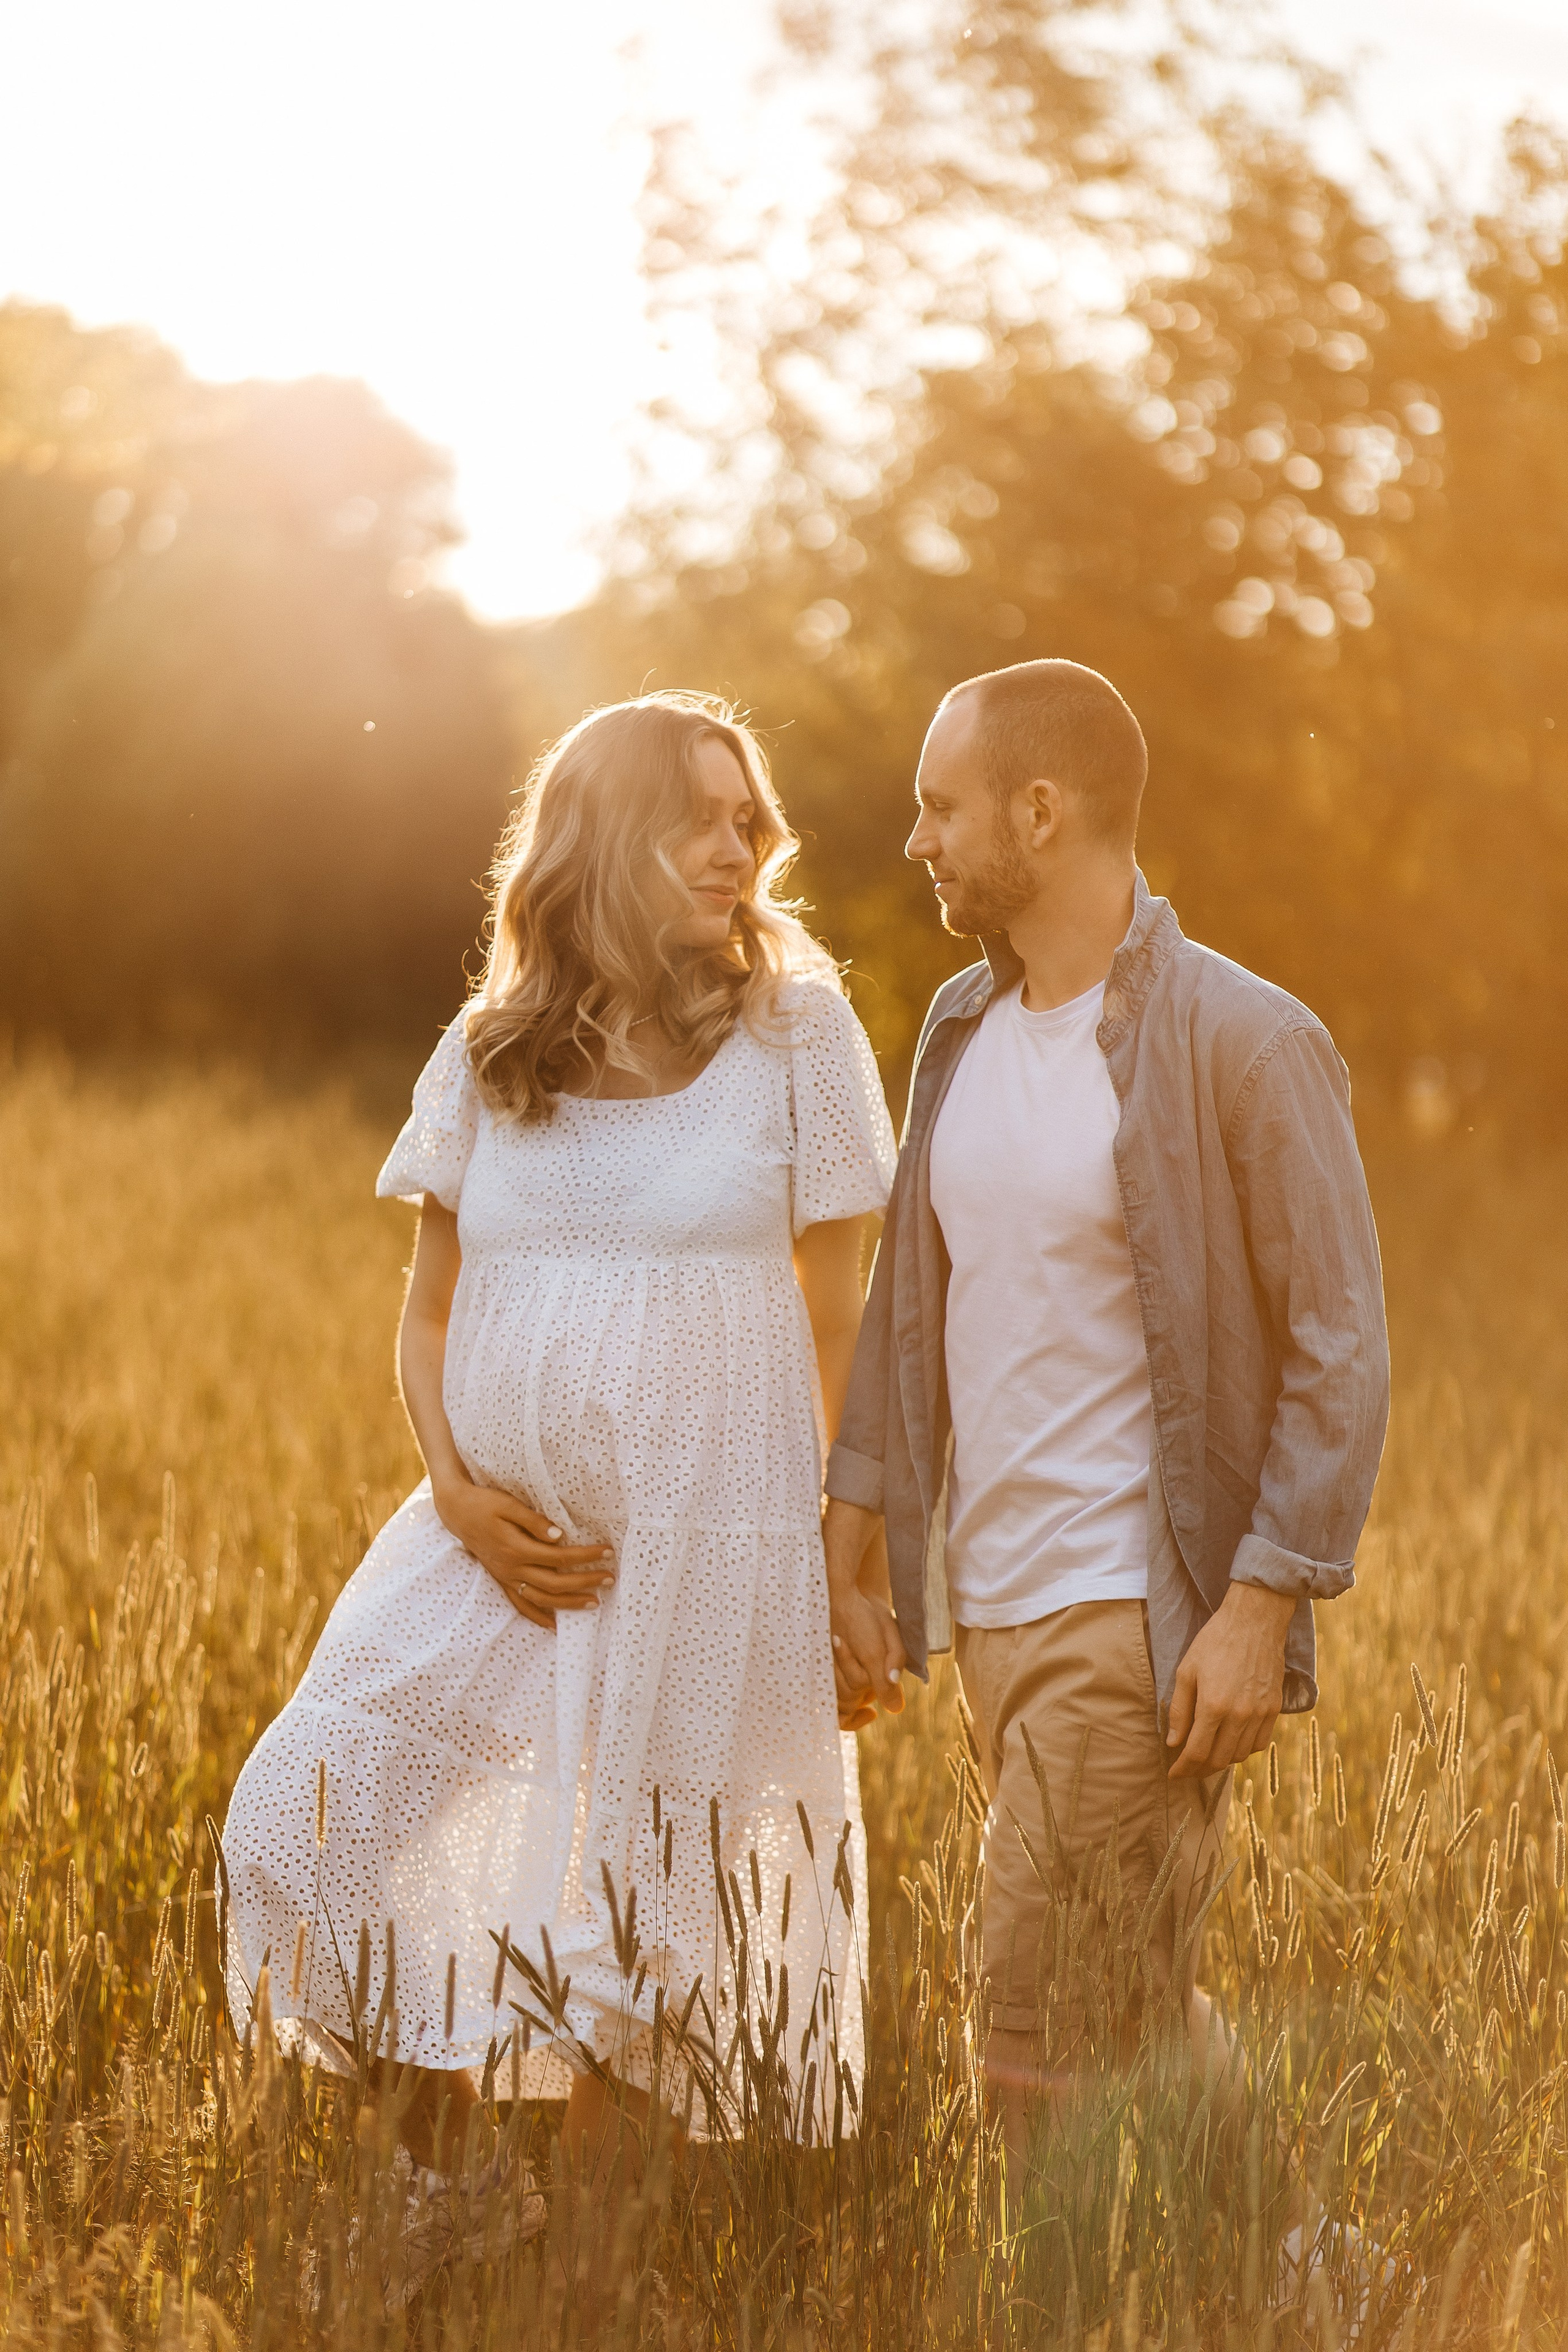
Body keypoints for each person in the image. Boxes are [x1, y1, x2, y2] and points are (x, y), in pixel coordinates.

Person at [222, 691, 896, 2201]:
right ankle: (452, 2183)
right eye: (703, 815)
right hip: (502, 1549)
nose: (739, 845)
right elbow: (429, 1314)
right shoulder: (488, 1049)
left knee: (648, 1936)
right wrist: (459, 1498)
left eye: (749, 819)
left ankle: (581, 2291)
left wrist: (849, 1565)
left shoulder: (799, 1028)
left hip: (718, 1537)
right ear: (604, 830)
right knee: (298, 1823)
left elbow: (848, 1324)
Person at [821, 658, 1389, 2153]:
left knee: (1028, 2035)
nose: (917, 841)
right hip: (993, 1616)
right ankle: (1286, 2267)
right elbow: (908, 1307)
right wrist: (858, 1543)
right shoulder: (960, 1026)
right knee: (1124, 2014)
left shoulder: (1243, 1041)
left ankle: (1081, 2309)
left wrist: (1259, 1608)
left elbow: (1341, 1347)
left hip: (1127, 1622)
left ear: (1040, 807)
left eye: (940, 807)